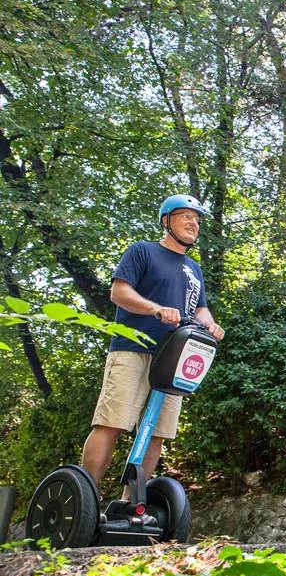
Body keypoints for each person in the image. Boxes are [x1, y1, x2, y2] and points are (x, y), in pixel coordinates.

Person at [82, 194, 225, 499]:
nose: (193, 223)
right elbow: (119, 293)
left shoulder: (193, 268)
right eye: (186, 216)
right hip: (133, 347)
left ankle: (128, 503)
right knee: (112, 423)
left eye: (197, 219)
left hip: (173, 357)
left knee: (158, 433)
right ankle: (86, 499)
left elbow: (199, 309)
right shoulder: (142, 252)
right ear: (166, 221)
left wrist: (210, 324)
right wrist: (156, 309)